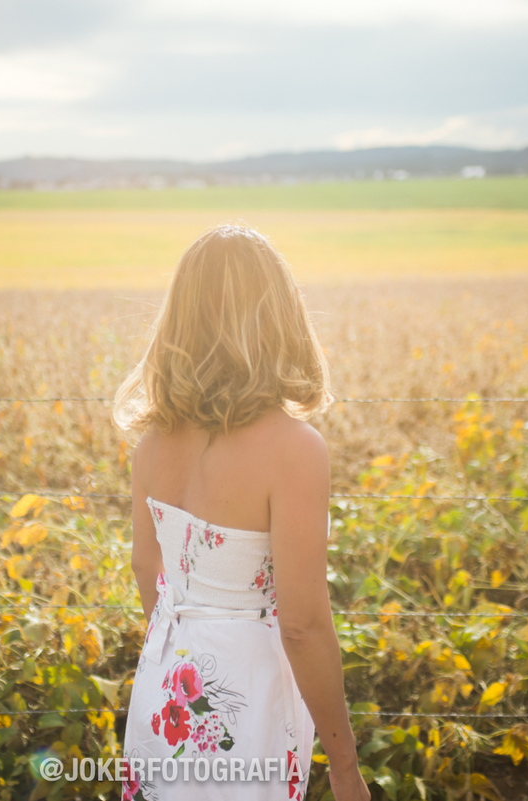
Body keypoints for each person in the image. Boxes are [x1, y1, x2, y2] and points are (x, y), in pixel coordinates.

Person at [114, 226, 371, 801]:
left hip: (168, 686)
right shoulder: (294, 449)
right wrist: (346, 766)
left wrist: (187, 652)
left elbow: (145, 570)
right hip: (245, 697)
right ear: (279, 316)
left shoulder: (152, 444)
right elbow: (302, 626)